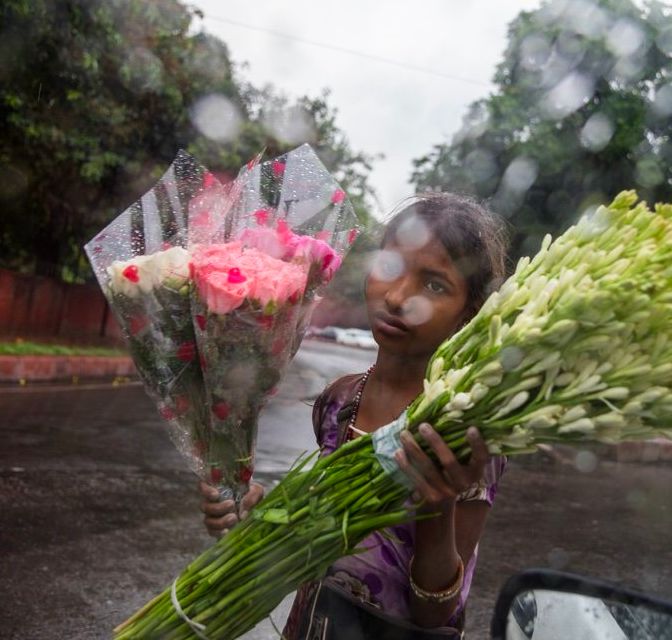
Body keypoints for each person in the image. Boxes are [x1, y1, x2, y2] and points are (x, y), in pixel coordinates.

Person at [198, 192, 510, 637]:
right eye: (390, 267)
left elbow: (435, 614)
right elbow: (322, 541)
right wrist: (253, 515)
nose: (399, 296)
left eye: (435, 285)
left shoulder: (464, 432)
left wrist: (437, 504)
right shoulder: (340, 401)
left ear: (470, 314)